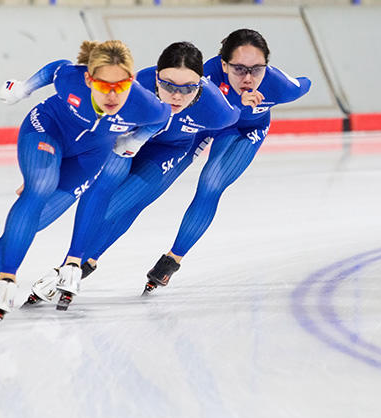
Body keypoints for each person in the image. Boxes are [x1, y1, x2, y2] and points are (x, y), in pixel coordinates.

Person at [0, 40, 170, 326]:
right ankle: (8, 278)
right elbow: (55, 69)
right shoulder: (72, 80)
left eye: (122, 85)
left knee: (35, 222)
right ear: (89, 79)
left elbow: (161, 120)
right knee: (40, 186)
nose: (113, 94)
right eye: (104, 86)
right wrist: (24, 88)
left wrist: (134, 141)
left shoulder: (148, 106)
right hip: (47, 129)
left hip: (89, 156)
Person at [23, 41, 241, 309]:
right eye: (169, 85)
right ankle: (78, 259)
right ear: (156, 78)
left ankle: (78, 265)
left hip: (170, 149)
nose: (176, 96)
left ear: (200, 85)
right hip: (127, 140)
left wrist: (199, 145)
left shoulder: (218, 110)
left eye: (188, 89)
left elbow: (233, 122)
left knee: (125, 202)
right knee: (102, 188)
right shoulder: (135, 86)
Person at [134, 29, 312, 293]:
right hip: (207, 126)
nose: (249, 78)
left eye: (257, 69)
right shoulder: (207, 77)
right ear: (224, 64)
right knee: (154, 181)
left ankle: (173, 259)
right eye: (239, 69)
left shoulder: (279, 85)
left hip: (245, 131)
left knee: (211, 183)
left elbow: (305, 83)